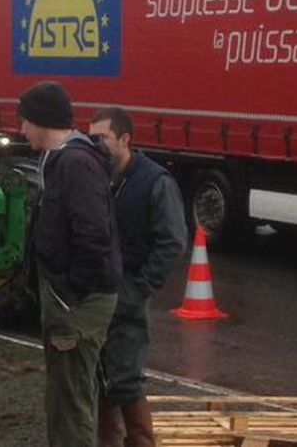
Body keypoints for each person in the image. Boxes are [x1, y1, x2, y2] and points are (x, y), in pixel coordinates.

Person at [18, 81, 120, 447]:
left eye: (24, 120)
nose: (21, 129)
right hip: (72, 299)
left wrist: (69, 292)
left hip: (78, 303)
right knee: (65, 395)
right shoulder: (60, 158)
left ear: (40, 120)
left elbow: (93, 235)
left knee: (71, 402)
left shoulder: (75, 162)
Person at [89, 107, 187, 447]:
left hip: (129, 295)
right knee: (101, 379)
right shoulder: (98, 177)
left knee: (127, 380)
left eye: (102, 137)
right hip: (100, 295)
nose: (95, 144)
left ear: (125, 139)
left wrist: (140, 288)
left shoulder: (154, 181)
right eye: (92, 137)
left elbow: (172, 241)